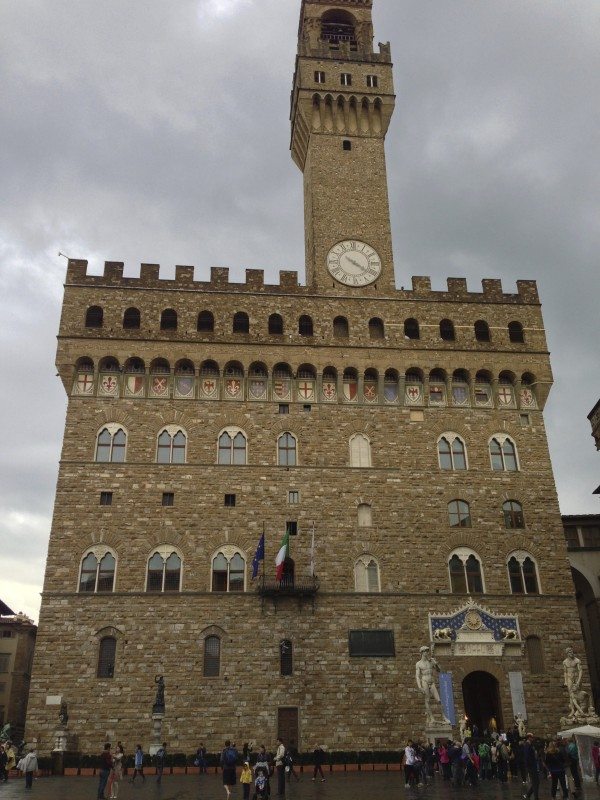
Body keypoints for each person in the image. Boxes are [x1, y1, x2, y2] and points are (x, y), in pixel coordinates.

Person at [523, 733, 540, 800]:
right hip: (532, 766)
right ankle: (536, 797)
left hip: (533, 765)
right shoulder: (527, 745)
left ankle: (528, 795)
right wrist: (530, 765)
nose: (533, 739)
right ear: (529, 737)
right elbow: (527, 756)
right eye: (532, 737)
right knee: (536, 782)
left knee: (536, 782)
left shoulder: (530, 745)